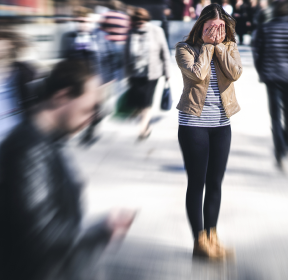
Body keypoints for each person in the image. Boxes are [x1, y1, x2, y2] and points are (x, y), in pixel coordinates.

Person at [0, 59, 136, 280]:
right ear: (61, 97)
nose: (93, 118)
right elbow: (43, 235)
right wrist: (103, 230)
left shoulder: (46, 142)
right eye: (88, 109)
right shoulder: (28, 150)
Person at [175, 3, 242, 259]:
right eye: (211, 27)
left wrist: (220, 47)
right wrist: (206, 46)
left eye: (221, 27)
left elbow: (235, 73)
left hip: (222, 125)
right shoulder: (185, 48)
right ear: (200, 26)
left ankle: (212, 237)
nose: (217, 32)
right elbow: (198, 74)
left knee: (215, 183)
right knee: (197, 183)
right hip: (194, 125)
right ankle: (199, 241)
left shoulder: (230, 47)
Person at [252, 0, 288, 168]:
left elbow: (257, 52)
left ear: (274, 12)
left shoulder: (265, 29)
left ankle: (279, 149)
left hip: (271, 76)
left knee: (275, 115)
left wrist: (261, 71)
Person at [61, 8, 117, 146]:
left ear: (91, 22)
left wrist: (109, 78)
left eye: (85, 21)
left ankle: (91, 131)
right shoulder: (70, 37)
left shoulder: (101, 36)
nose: (82, 24)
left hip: (97, 77)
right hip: (77, 78)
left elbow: (111, 57)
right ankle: (70, 131)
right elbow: (65, 57)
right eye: (79, 21)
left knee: (95, 107)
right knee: (75, 105)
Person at [124, 7, 171, 140]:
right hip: (135, 74)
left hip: (152, 73)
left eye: (142, 22)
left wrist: (167, 72)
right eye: (137, 22)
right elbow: (126, 55)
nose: (140, 24)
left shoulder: (156, 31)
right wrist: (126, 74)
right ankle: (145, 124)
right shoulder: (131, 33)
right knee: (139, 102)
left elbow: (164, 52)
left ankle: (143, 128)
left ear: (146, 20)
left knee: (146, 101)